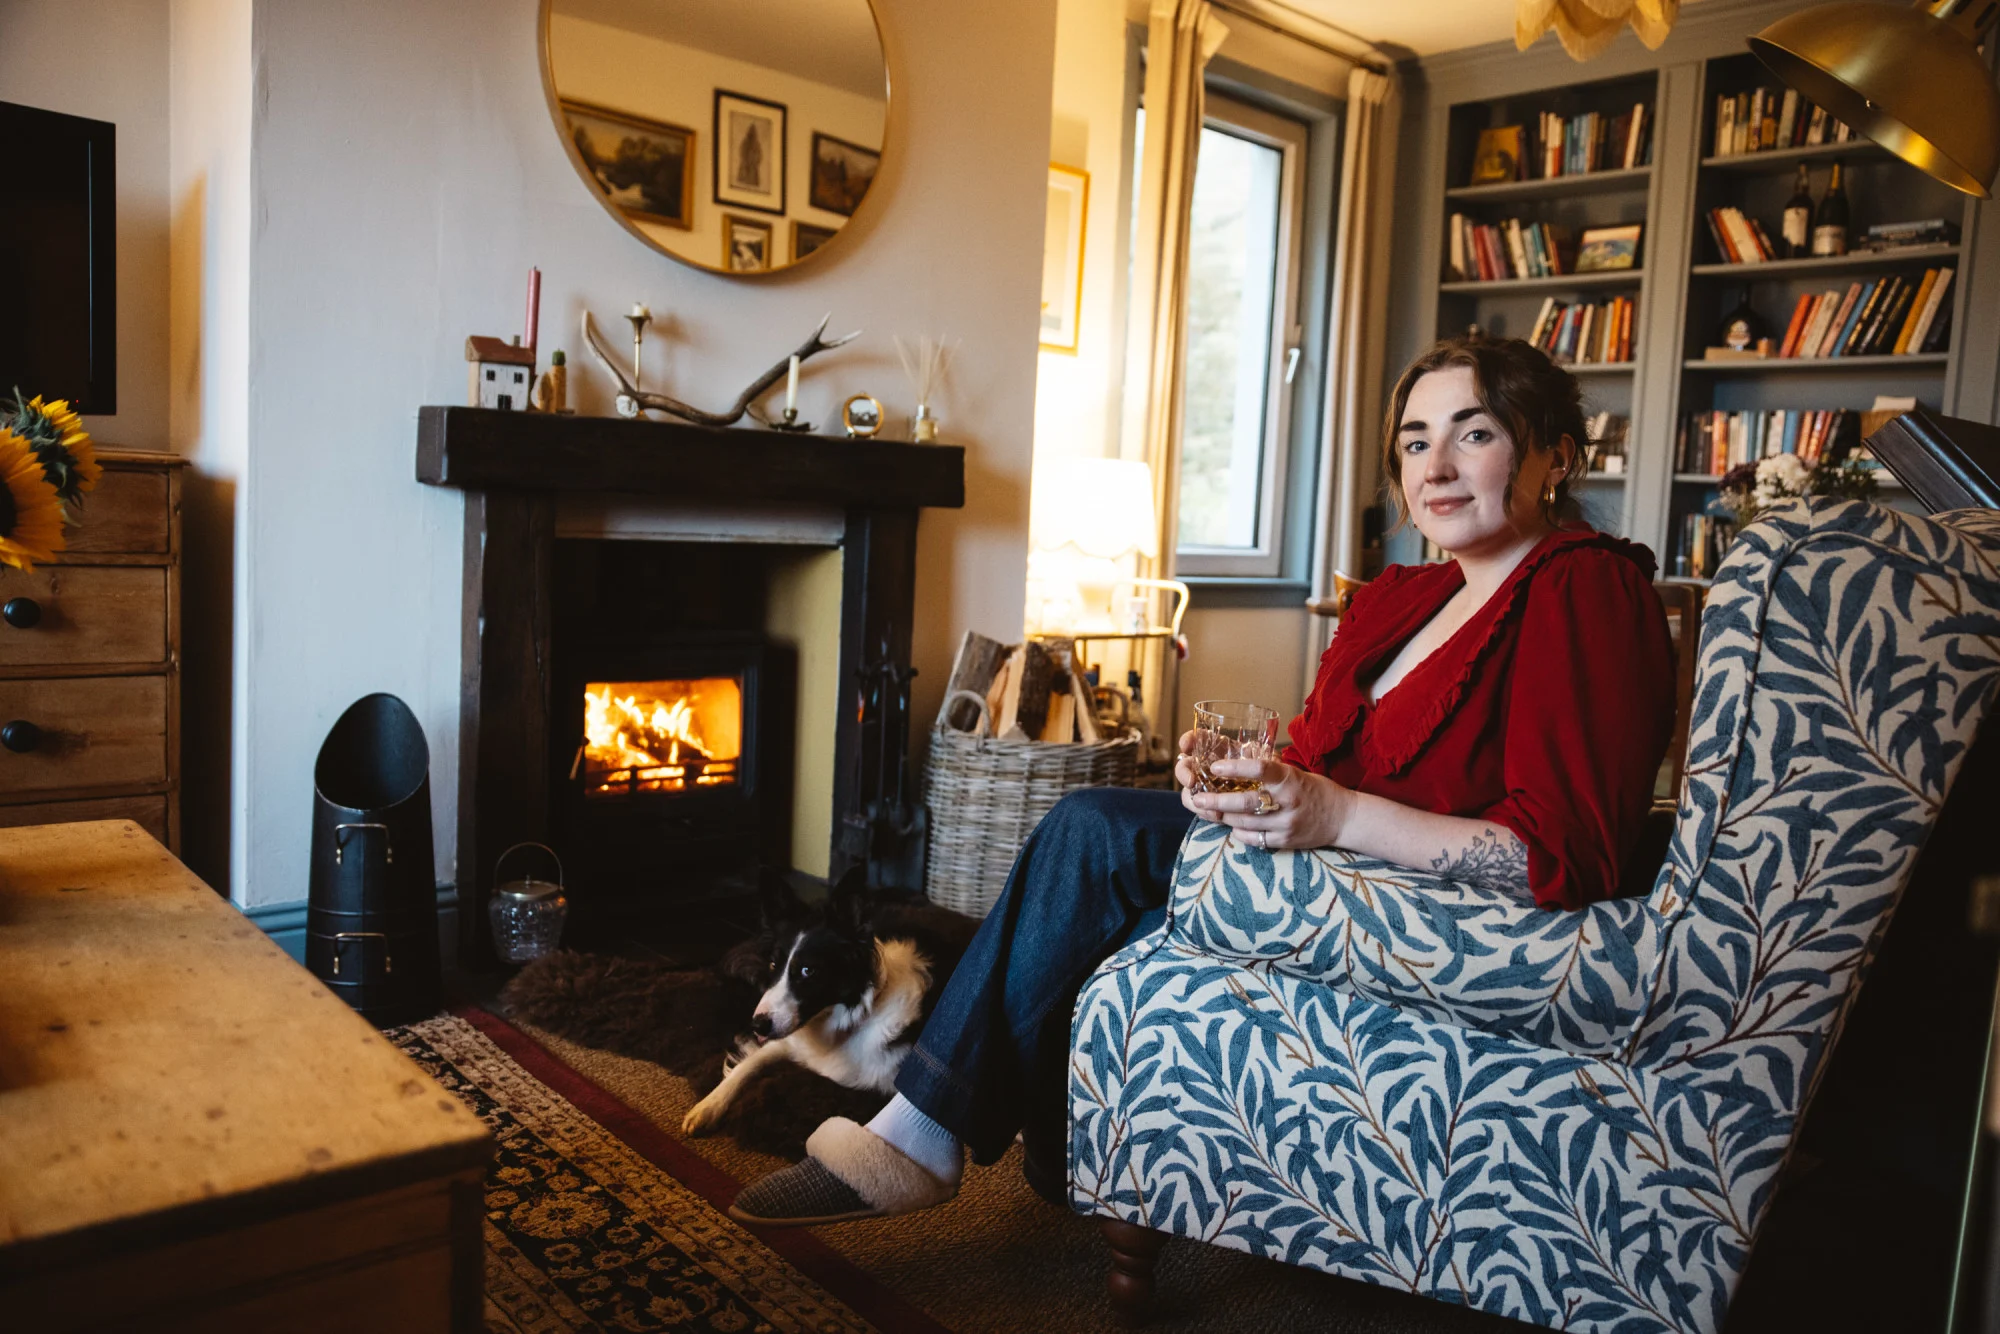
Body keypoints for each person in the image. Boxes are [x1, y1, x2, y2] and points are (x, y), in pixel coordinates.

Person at [727, 334, 1678, 1227]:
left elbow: (1563, 856)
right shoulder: (1408, 595)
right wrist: (1242, 782)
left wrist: (1336, 811)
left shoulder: (1581, 585)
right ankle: (1074, 1154)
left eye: (1474, 435)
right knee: (1105, 901)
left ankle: (920, 1132)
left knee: (1093, 829)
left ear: (1554, 454)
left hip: (1422, 909)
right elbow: (1310, 762)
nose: (1433, 469)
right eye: (1416, 440)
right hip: (1325, 868)